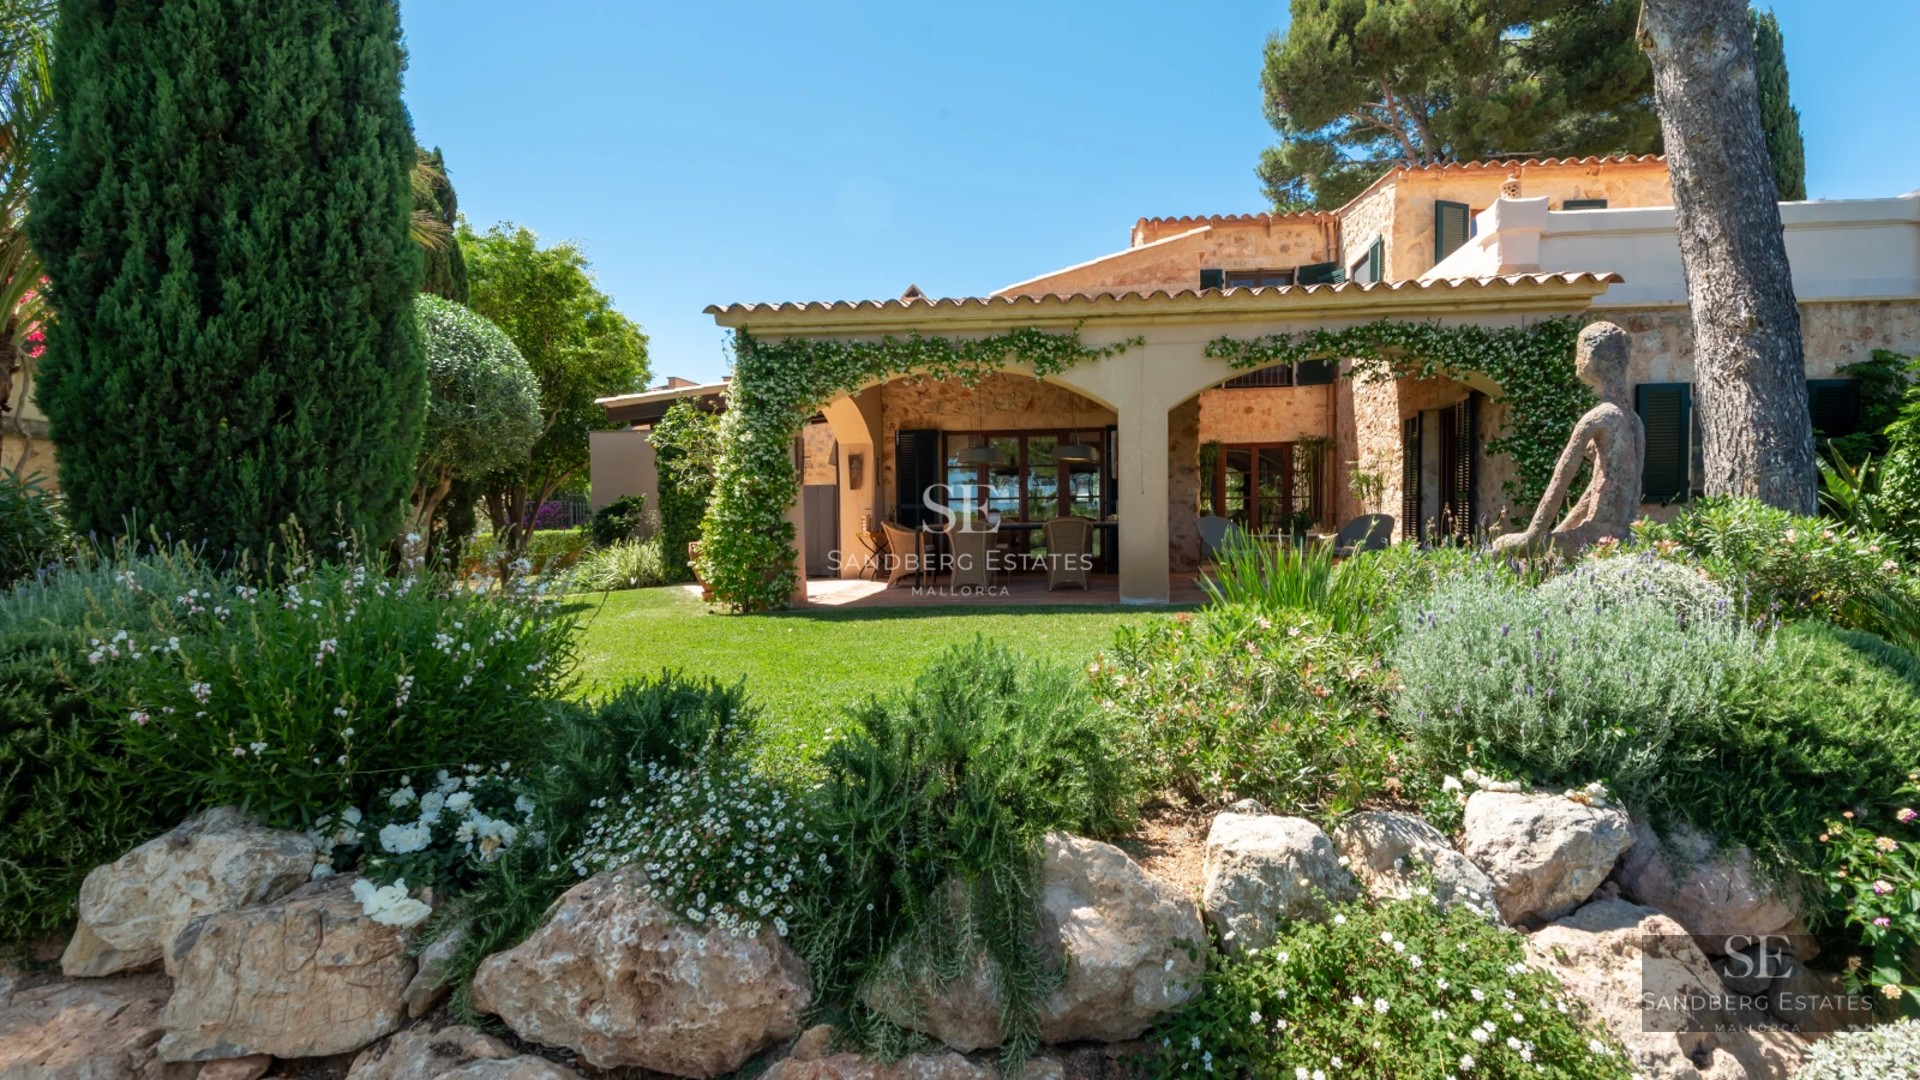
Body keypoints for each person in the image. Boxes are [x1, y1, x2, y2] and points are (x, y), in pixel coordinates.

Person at [1490, 321, 1644, 557]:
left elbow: (1561, 480)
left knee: (1500, 549)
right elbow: (1606, 488)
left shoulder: (1597, 418)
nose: (1575, 360)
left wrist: (1532, 536)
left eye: (1579, 353)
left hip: (1595, 536)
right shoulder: (1634, 421)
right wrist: (1564, 528)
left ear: (1592, 357)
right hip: (1621, 535)